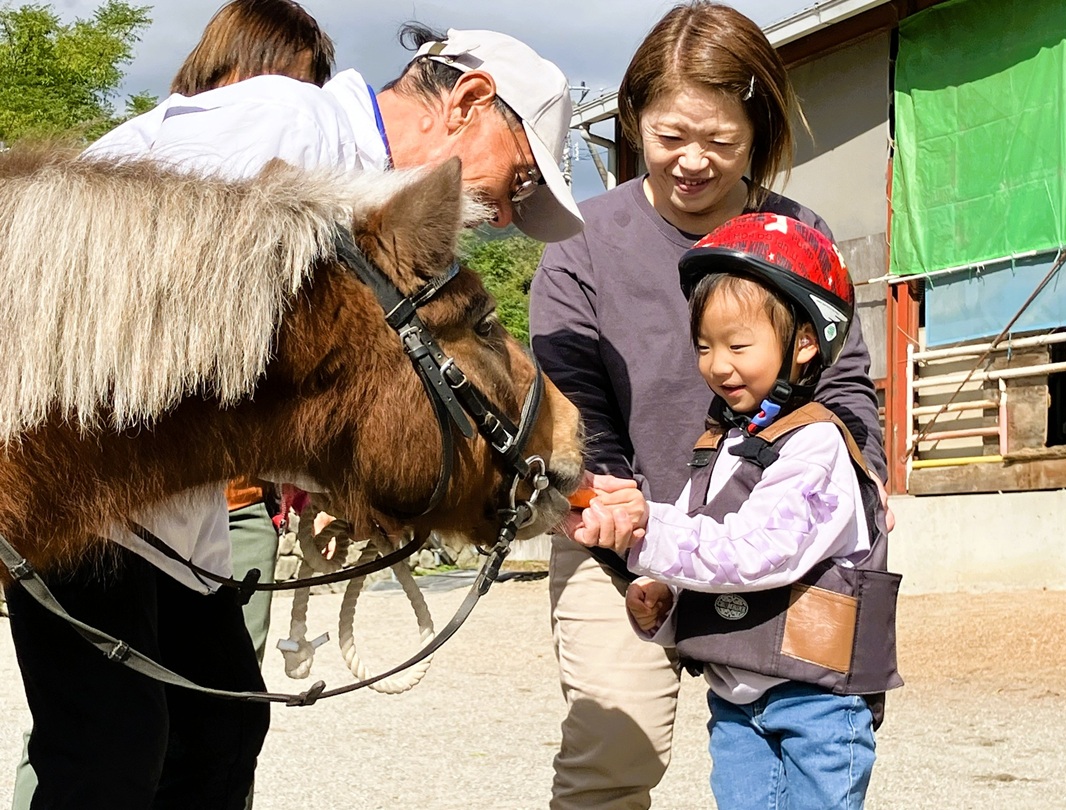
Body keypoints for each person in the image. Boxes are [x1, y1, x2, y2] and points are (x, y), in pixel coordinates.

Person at [5, 17, 582, 810]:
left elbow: (260, 380)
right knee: (108, 749)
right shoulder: (287, 123)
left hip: (159, 515)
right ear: (469, 101)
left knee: (217, 732)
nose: (509, 214)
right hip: (83, 489)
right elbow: (66, 244)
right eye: (518, 180)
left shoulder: (352, 189)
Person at [528, 3, 890, 808]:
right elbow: (570, 403)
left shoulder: (797, 235)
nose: (693, 161)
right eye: (670, 137)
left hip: (775, 544)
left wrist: (860, 493)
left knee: (796, 762)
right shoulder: (580, 243)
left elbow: (843, 386)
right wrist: (615, 511)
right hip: (619, 543)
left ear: (756, 130)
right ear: (634, 121)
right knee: (610, 763)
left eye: (720, 142)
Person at [579, 213, 901, 809]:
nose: (718, 365)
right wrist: (661, 596)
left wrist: (643, 527)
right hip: (735, 702)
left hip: (816, 705)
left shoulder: (816, 445)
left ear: (805, 342)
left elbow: (755, 554)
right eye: (704, 346)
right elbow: (703, 541)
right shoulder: (719, 445)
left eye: (738, 345)